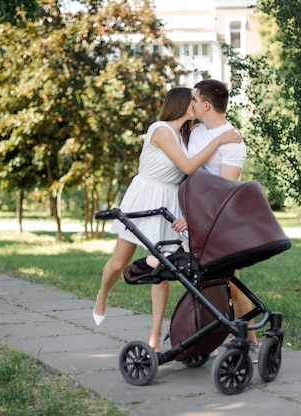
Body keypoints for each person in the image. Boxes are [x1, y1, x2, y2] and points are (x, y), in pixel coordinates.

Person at [92, 86, 242, 352]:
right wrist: (218, 142)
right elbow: (187, 166)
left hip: (170, 202)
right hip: (145, 196)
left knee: (163, 271)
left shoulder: (189, 135)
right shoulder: (160, 129)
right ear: (183, 104)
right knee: (118, 262)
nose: (197, 104)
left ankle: (155, 335)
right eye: (193, 100)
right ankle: (102, 295)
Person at [188, 78, 259, 362]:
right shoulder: (194, 133)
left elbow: (224, 190)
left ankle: (251, 340)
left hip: (223, 221)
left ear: (206, 104)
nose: (189, 103)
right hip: (194, 219)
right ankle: (211, 335)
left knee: (230, 282)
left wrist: (195, 216)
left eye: (193, 99)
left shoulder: (233, 141)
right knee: (203, 283)